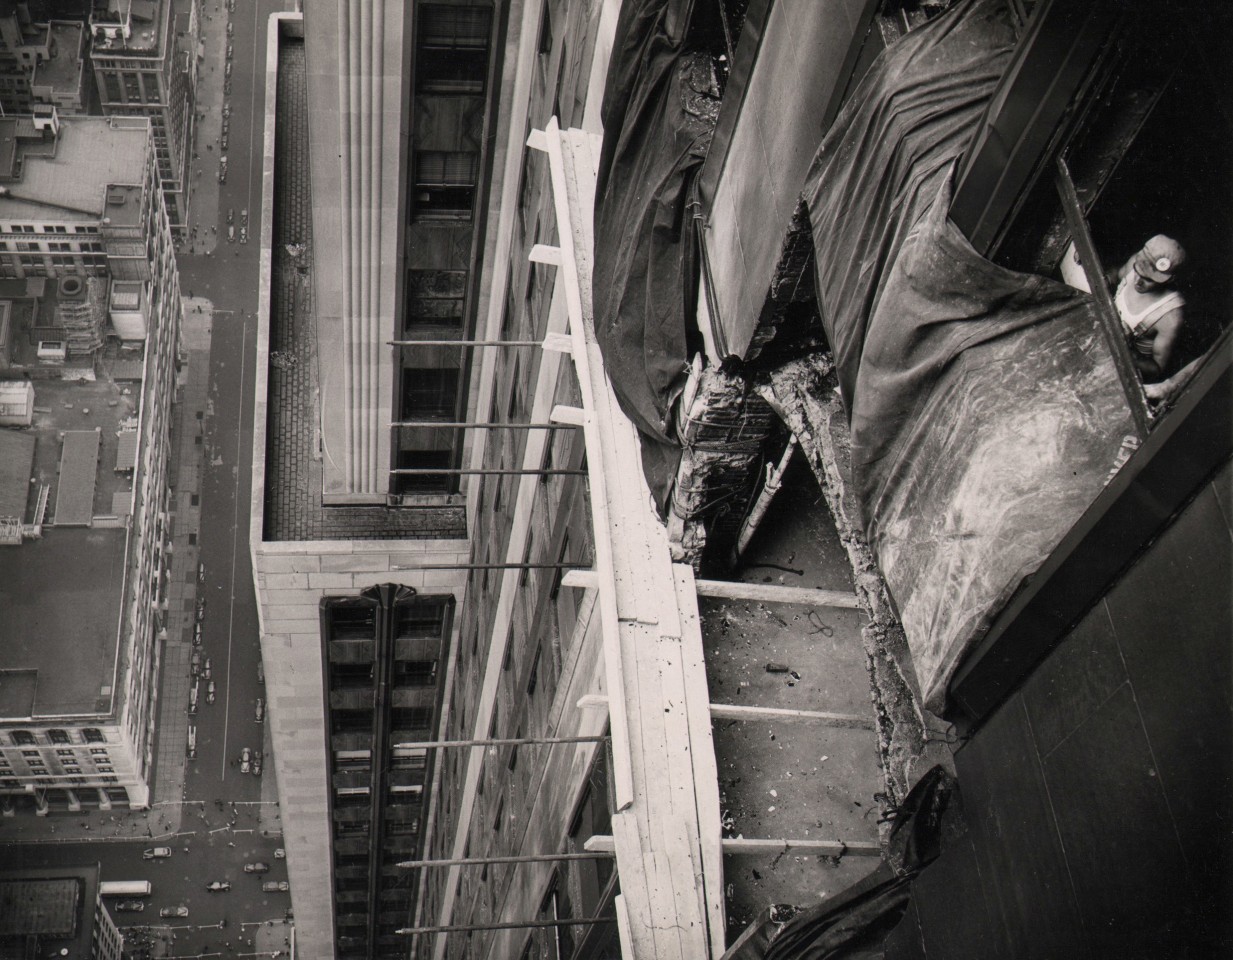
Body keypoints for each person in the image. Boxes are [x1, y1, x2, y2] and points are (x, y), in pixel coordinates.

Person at [1108, 235, 1187, 382]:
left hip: (1121, 362)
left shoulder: (1170, 316)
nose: (1138, 281)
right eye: (1138, 270)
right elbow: (1115, 275)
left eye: (1149, 279)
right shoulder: (1134, 262)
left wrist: (1128, 350)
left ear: (1170, 279)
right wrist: (1105, 278)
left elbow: (1156, 370)